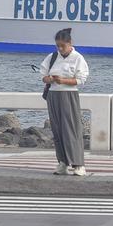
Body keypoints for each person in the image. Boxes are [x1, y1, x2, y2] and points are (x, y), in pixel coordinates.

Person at [40, 28, 89, 176]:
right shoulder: (53, 57)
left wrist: (63, 80)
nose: (60, 49)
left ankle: (78, 164)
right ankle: (62, 162)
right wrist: (50, 79)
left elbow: (80, 80)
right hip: (53, 95)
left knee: (71, 129)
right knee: (57, 130)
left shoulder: (78, 58)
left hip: (69, 95)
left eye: (63, 46)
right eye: (58, 46)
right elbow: (43, 76)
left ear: (70, 43)